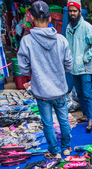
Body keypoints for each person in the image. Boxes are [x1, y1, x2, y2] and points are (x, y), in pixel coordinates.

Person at [17, 1, 73, 159]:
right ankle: (67, 148)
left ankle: (55, 151)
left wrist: (35, 74)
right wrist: (60, 72)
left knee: (48, 124)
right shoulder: (61, 39)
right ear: (49, 19)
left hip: (41, 91)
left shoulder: (27, 41)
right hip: (60, 89)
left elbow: (23, 68)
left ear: (32, 19)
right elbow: (69, 63)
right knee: (63, 120)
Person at [66, 0, 92, 132]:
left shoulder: (87, 27)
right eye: (70, 11)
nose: (72, 13)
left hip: (84, 67)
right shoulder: (69, 27)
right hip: (74, 68)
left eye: (74, 11)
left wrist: (85, 57)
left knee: (87, 94)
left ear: (79, 12)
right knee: (79, 93)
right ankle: (86, 115)